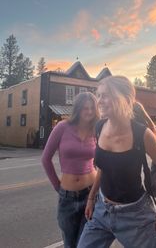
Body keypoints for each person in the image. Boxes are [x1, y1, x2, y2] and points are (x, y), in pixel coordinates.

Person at [77, 76, 156, 248]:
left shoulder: (142, 134)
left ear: (125, 99)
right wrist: (91, 198)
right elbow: (104, 168)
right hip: (101, 211)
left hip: (135, 216)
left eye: (106, 95)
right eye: (99, 95)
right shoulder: (99, 127)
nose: (100, 101)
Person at [41, 92, 99, 248]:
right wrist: (58, 187)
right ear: (77, 109)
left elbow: (103, 162)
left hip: (91, 195)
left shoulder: (96, 130)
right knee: (70, 243)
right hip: (67, 197)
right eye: (84, 108)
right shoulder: (62, 127)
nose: (88, 112)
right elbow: (45, 159)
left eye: (92, 108)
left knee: (86, 243)